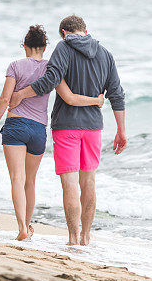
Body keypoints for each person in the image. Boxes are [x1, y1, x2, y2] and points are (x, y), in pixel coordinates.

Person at [8, 15, 126, 246]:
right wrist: (122, 130)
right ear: (85, 30)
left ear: (63, 32)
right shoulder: (106, 54)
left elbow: (50, 79)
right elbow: (117, 94)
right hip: (93, 129)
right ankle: (86, 237)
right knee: (89, 182)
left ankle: (72, 237)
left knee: (70, 183)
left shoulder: (64, 48)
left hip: (66, 128)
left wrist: (21, 94)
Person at [0, 25, 103, 241]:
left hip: (15, 126)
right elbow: (70, 97)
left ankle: (22, 226)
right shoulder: (51, 69)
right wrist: (96, 100)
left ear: (25, 47)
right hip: (38, 130)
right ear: (45, 46)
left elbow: (4, 99)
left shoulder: (15, 66)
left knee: (16, 179)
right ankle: (29, 226)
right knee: (30, 181)